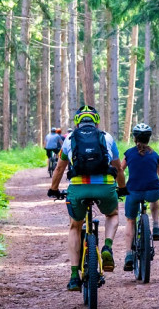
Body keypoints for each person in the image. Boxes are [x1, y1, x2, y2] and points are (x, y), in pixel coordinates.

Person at [47, 106, 127, 291]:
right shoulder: (107, 138)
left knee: (75, 226)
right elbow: (118, 167)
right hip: (105, 188)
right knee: (113, 214)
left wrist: (53, 189)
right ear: (96, 121)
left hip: (78, 189)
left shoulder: (69, 139)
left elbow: (59, 168)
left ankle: (74, 276)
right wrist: (122, 188)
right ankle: (107, 247)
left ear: (77, 122)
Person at [119, 123, 159, 271]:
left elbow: (120, 170)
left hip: (133, 191)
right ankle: (155, 226)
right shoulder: (154, 155)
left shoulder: (129, 153)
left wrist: (120, 186)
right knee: (155, 197)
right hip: (152, 190)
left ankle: (128, 254)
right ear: (149, 138)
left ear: (134, 138)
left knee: (130, 220)